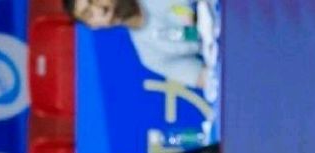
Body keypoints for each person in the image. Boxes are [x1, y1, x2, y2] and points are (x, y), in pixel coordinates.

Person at [63, 0, 208, 89]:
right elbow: (204, 78)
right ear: (93, 26)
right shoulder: (149, 55)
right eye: (89, 13)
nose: (100, 9)